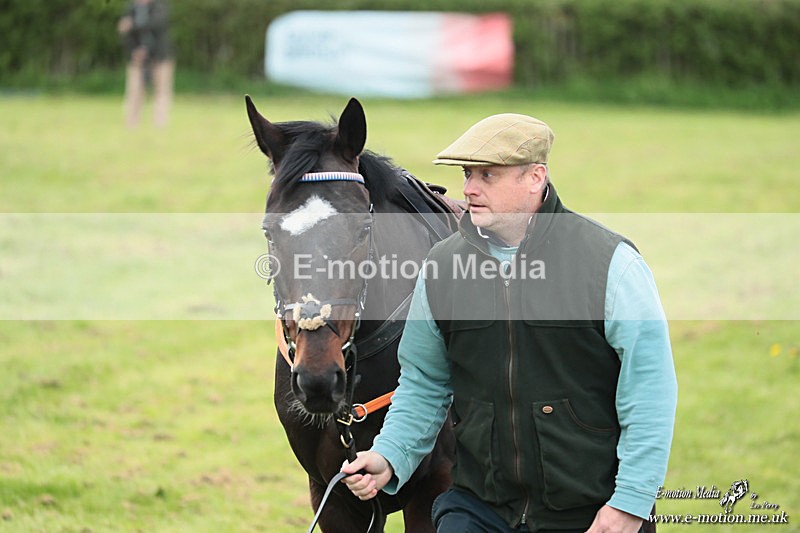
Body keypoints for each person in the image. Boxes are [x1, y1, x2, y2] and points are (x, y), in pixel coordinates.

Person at [342, 113, 678, 532]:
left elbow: (649, 391)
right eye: (467, 174)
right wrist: (390, 455)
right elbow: (425, 380)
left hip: (590, 513)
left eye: (487, 175)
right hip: (479, 506)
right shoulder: (442, 268)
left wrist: (631, 502)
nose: (468, 189)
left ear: (535, 178)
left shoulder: (609, 264)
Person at [117, 0, 174, 128]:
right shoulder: (131, 8)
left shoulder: (160, 6)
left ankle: (160, 124)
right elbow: (125, 33)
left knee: (161, 90)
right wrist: (134, 51)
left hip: (160, 57)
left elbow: (157, 25)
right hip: (137, 57)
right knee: (134, 91)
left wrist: (132, 24)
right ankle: (131, 124)